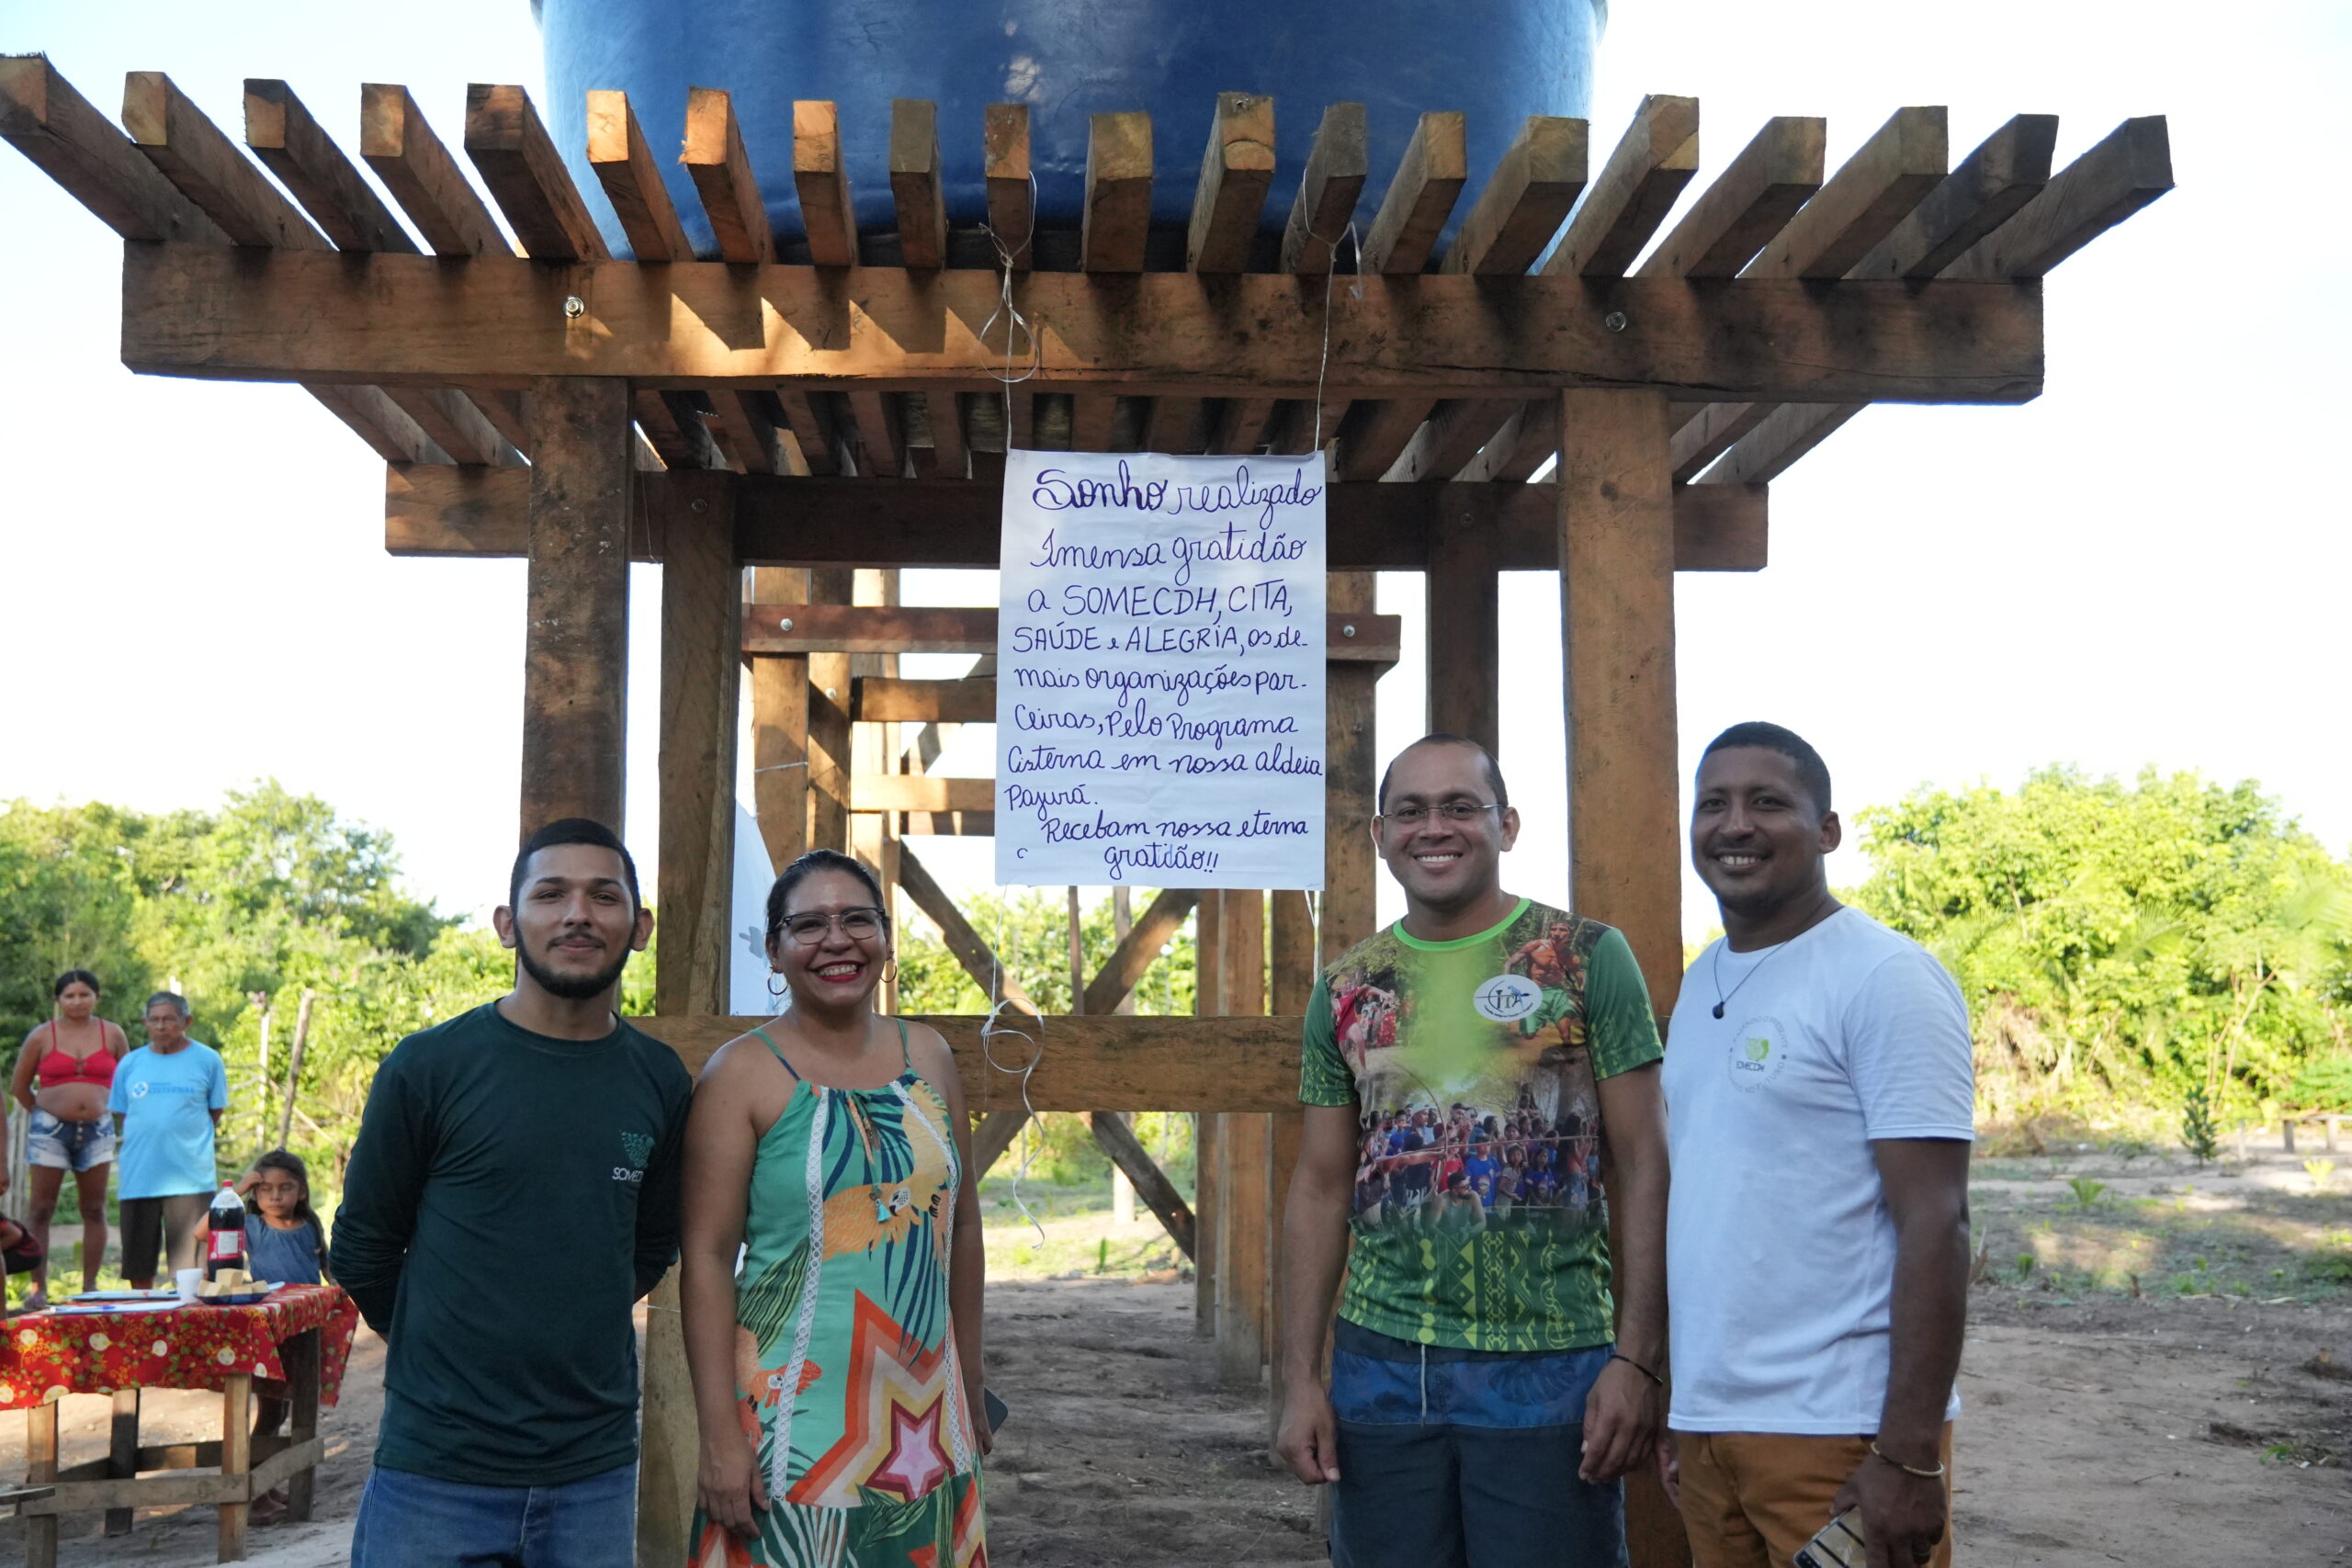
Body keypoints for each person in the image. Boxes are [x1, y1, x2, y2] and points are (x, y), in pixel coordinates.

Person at [1274, 734, 1670, 1567]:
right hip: (1382, 1369)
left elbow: (1645, 1165)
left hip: (1552, 1360)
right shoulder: (1346, 986)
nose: (1434, 827)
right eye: (1411, 810)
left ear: (1507, 824)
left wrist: (1637, 1358)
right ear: (1380, 834)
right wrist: (1300, 1378)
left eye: (1461, 806)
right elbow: (1320, 1185)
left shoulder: (1586, 958)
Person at [334, 818, 692, 1568]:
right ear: (507, 924)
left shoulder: (659, 1079)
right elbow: (364, 1249)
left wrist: (568, 1319)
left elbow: (652, 1244)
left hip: (593, 1471)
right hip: (437, 1470)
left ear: (640, 927)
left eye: (604, 896)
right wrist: (447, 1349)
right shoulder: (428, 1067)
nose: (577, 914)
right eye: (551, 893)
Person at [1662, 723, 1973, 1568]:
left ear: (1827, 829)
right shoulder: (1702, 978)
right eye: (1713, 803)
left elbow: (1937, 1220)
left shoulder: (1884, 976)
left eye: (1767, 801)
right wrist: (1687, 1410)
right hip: (1713, 1431)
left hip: (1842, 1437)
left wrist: (1908, 1453)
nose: (1735, 824)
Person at [681, 849, 989, 1567]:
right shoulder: (741, 1073)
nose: (837, 940)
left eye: (857, 919)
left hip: (926, 1422)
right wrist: (720, 1434)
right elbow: (706, 1258)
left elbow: (964, 1223)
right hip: (793, 1429)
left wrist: (969, 1382)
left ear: (884, 934)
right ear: (775, 949)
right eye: (810, 925)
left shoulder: (931, 1055)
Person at [10, 970, 127, 1305]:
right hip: (50, 1129)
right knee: (41, 1208)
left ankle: (90, 1286)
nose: (77, 1001)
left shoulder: (113, 1034)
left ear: (97, 997)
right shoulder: (41, 1036)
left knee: (94, 1208)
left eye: (84, 994)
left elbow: (127, 1080)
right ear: (58, 1000)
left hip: (97, 1129)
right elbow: (20, 1086)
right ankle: (38, 1287)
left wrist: (116, 1117)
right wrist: (45, 1114)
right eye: (70, 996)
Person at [232, 1148, 329, 1527]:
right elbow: (201, 1230)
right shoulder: (252, 1228)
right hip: (269, 1333)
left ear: (301, 1191)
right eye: (265, 1189)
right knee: (270, 1412)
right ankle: (254, 1495)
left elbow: (326, 1269)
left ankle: (267, 1486)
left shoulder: (309, 1226)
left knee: (283, 1411)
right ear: (255, 1193)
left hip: (302, 1333)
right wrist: (239, 1189)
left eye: (285, 1188)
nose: (275, 1196)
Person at [108, 991, 228, 1290]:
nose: (161, 1026)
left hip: (190, 1178)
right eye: (155, 1020)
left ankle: (190, 1319)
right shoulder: (130, 1064)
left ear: (187, 1021)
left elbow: (214, 1112)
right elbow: (123, 1113)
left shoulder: (207, 1060)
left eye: (169, 1019)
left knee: (192, 1271)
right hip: (139, 1177)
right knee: (138, 1265)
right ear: (145, 1023)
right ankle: (144, 1316)